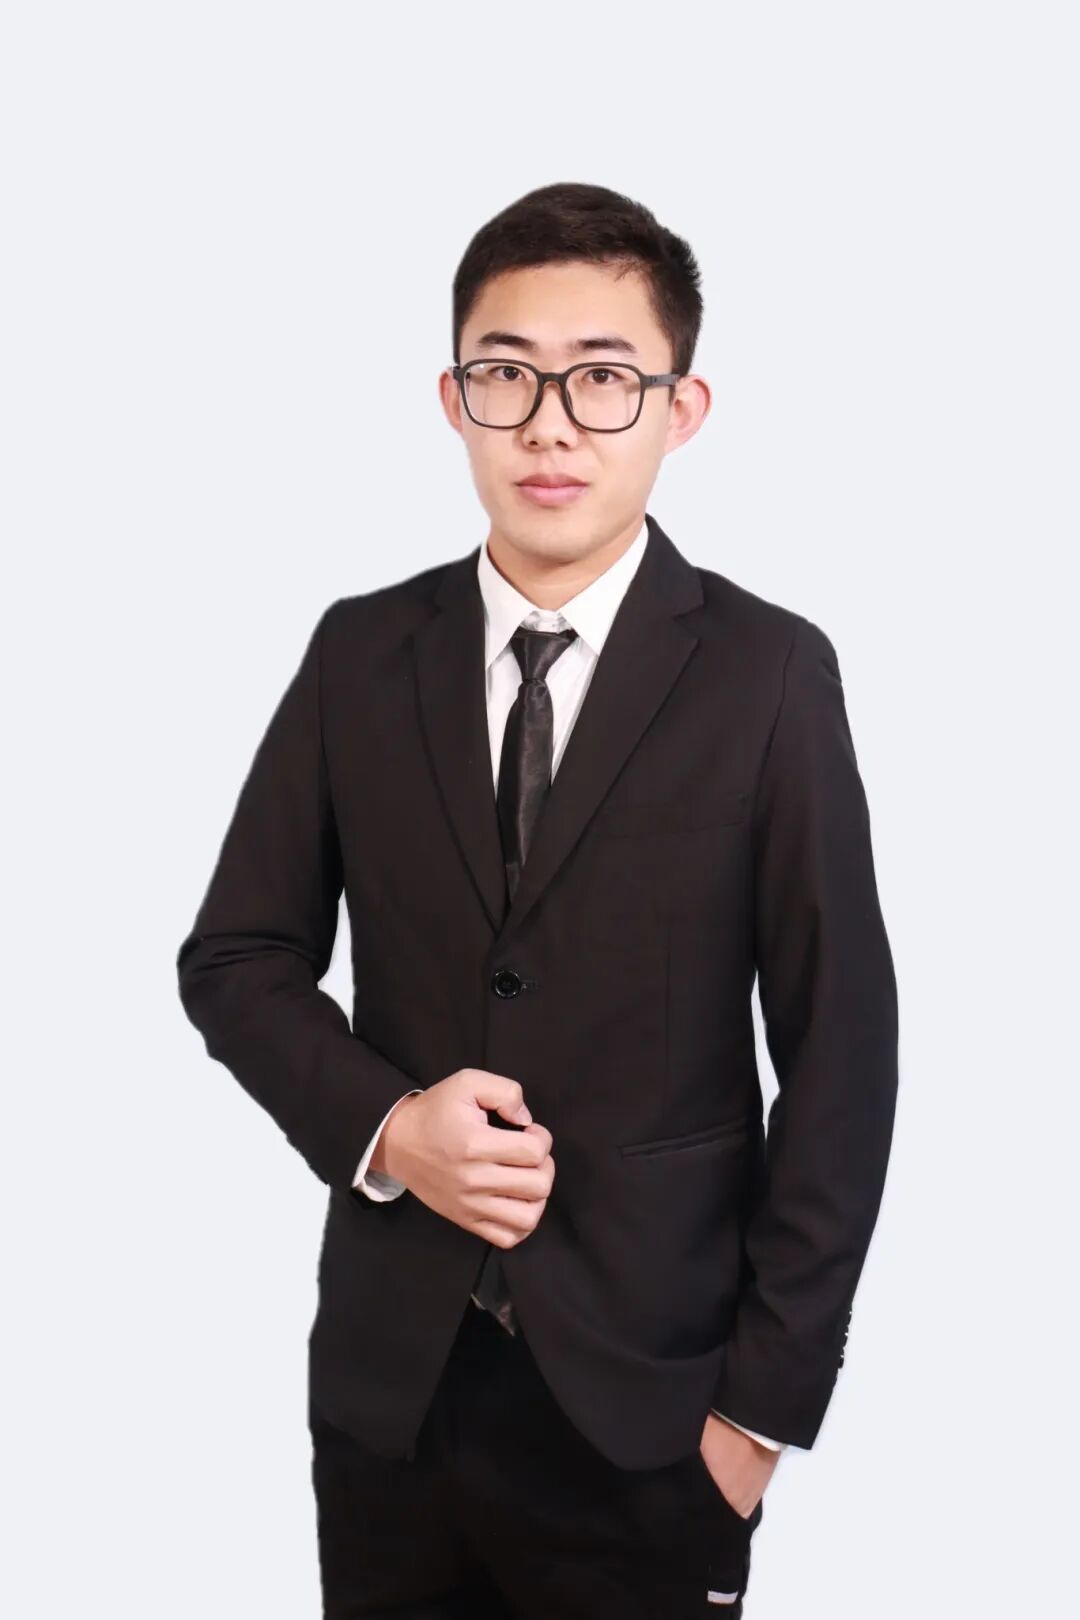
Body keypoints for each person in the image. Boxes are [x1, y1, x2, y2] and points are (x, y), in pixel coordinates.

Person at [176, 180, 898, 1618]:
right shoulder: (361, 655)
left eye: (604, 379)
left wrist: (756, 1420)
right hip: (393, 1399)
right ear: (454, 400)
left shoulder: (768, 674)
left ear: (681, 410)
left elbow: (842, 1051)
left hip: (659, 1409)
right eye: (507, 375)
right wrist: (389, 1127)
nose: (551, 425)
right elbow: (238, 956)